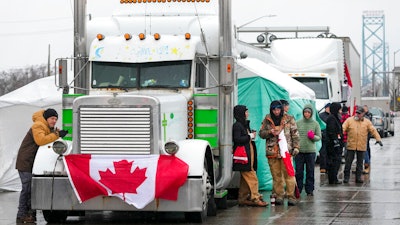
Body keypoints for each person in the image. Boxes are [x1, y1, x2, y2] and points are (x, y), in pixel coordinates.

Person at [15, 108, 68, 223]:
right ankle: (22, 214)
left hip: (32, 162)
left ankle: (30, 215)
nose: (54, 121)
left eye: (56, 119)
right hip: (26, 161)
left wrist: (57, 134)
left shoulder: (47, 127)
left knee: (31, 189)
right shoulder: (38, 125)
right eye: (52, 118)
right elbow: (41, 140)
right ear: (46, 118)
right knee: (27, 189)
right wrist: (57, 134)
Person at [259, 100, 300, 206]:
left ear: (281, 109)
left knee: (289, 174)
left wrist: (296, 147)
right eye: (274, 110)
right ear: (271, 110)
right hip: (272, 152)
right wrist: (269, 132)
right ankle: (279, 196)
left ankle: (291, 196)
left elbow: (295, 134)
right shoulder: (267, 120)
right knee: (276, 176)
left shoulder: (289, 119)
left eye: (278, 109)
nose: (276, 112)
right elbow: (261, 134)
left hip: (286, 151)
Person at [232, 105, 267, 207]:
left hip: (247, 155)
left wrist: (250, 134)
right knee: (252, 177)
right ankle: (255, 198)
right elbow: (237, 139)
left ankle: (242, 198)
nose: (248, 114)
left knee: (245, 178)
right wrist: (250, 136)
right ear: (241, 113)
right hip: (243, 157)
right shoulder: (237, 126)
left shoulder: (243, 125)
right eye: (246, 112)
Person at [342, 106, 382, 183]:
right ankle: (346, 177)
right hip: (351, 145)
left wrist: (378, 139)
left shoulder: (367, 122)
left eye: (359, 113)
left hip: (361, 146)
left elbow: (373, 130)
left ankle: (358, 177)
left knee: (360, 163)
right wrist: (339, 136)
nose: (357, 114)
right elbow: (343, 128)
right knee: (348, 162)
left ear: (363, 114)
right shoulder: (349, 120)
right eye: (356, 113)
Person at [295, 104, 321, 196]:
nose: (306, 114)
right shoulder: (298, 123)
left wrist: (313, 137)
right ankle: (298, 189)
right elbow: (294, 135)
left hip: (310, 151)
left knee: (310, 171)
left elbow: (319, 137)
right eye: (305, 112)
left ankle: (309, 190)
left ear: (311, 113)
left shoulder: (315, 124)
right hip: (299, 152)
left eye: (308, 112)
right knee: (299, 171)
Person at [325, 102, 344, 184]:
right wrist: (335, 141)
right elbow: (331, 131)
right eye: (339, 109)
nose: (340, 111)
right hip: (333, 145)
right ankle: (332, 179)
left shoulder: (335, 118)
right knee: (334, 162)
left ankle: (334, 178)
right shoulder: (332, 118)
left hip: (336, 144)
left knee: (336, 162)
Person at [318, 103, 331, 173]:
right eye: (328, 108)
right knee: (323, 152)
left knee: (329, 152)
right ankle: (322, 167)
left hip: (330, 137)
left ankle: (328, 166)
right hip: (323, 136)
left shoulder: (332, 115)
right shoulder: (321, 116)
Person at [362, 105, 373, 174]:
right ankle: (367, 162)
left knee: (366, 149)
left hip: (365, 135)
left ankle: (367, 163)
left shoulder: (367, 116)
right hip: (364, 136)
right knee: (366, 148)